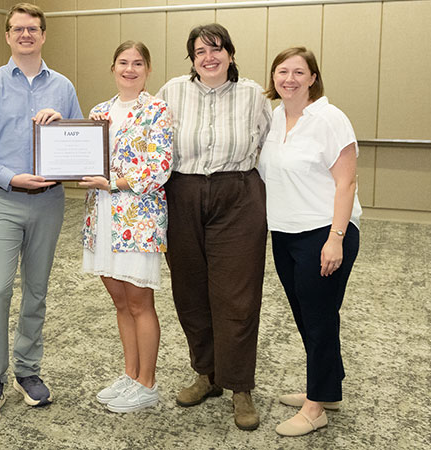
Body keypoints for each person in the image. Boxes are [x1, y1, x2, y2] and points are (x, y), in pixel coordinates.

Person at [0, 2, 82, 424]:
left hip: (49, 202)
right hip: (4, 200)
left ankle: (27, 370)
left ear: (43, 35)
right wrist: (10, 177)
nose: (25, 34)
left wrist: (63, 123)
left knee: (36, 290)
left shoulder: (63, 86)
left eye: (33, 28)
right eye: (18, 29)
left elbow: (81, 143)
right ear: (8, 35)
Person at [156, 23, 271, 431]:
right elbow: (145, 137)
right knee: (190, 290)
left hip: (237, 195)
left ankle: (239, 386)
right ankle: (207, 374)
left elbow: (270, 143)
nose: (209, 57)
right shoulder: (170, 92)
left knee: (237, 296)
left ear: (231, 54)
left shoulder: (253, 95)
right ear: (192, 59)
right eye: (200, 51)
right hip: (183, 193)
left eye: (216, 49)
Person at [258, 47, 361, 436]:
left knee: (318, 319)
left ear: (313, 78)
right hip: (285, 233)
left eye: (299, 72)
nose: (289, 79)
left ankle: (316, 407)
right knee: (308, 315)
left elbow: (346, 182)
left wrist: (335, 239)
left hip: (324, 232)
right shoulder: (275, 117)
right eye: (282, 71)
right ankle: (327, 388)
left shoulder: (330, 119)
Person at [79, 41, 172, 413]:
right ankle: (131, 374)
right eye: (123, 62)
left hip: (138, 219)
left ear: (148, 70)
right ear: (113, 68)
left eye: (137, 63)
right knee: (120, 302)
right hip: (102, 217)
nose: (129, 69)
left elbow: (160, 167)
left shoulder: (157, 110)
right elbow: (86, 157)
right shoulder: (99, 111)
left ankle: (147, 383)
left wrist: (113, 183)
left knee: (139, 303)